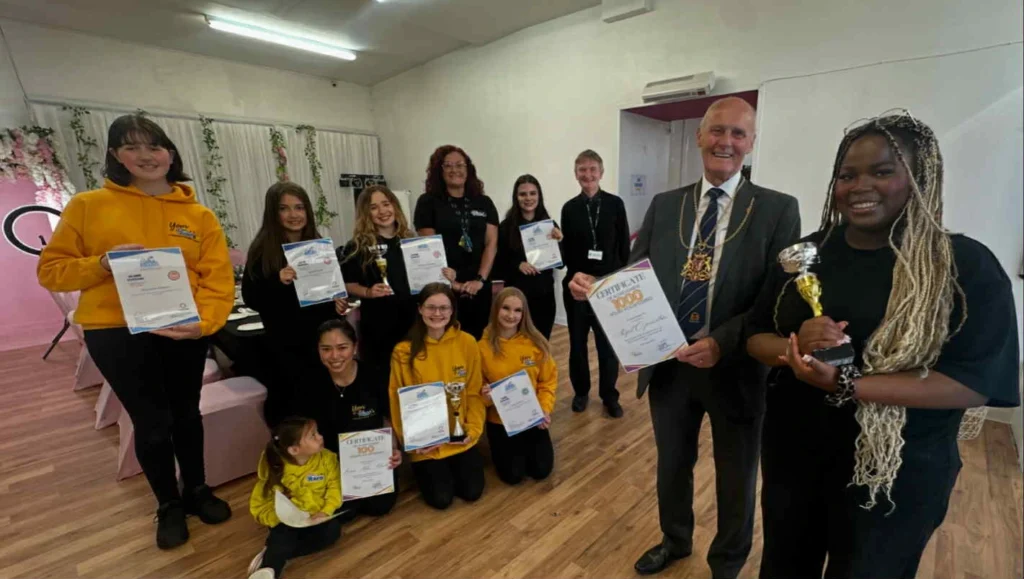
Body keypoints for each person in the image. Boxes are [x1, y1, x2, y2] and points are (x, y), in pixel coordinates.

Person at [745, 111, 1019, 578]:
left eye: (883, 171)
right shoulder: (807, 256)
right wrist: (796, 346)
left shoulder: (960, 265)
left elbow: (972, 383)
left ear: (920, 177)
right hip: (796, 457)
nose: (859, 186)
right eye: (847, 175)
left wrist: (847, 384)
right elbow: (755, 338)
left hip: (897, 473)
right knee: (785, 567)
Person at [568, 97, 801, 578]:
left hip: (735, 366)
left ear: (752, 143)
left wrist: (722, 340)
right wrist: (598, 285)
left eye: (739, 134)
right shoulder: (666, 204)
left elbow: (772, 298)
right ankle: (675, 541)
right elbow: (638, 272)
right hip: (668, 363)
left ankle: (727, 562)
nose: (727, 142)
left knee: (736, 475)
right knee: (672, 464)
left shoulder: (778, 209)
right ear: (699, 136)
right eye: (718, 131)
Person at [37, 114, 234, 550]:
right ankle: (168, 504)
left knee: (187, 414)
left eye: (155, 146)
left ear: (171, 153)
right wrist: (102, 262)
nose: (146, 155)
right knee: (151, 423)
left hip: (182, 330)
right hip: (116, 332)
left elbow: (217, 279)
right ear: (115, 156)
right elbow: (50, 272)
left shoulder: (198, 215)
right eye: (133, 146)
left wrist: (203, 324)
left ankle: (197, 489)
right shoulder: (88, 205)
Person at [243, 182, 349, 426]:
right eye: (285, 208)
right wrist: (277, 281)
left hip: (320, 340)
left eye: (299, 207)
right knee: (296, 404)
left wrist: (338, 302)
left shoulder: (317, 244)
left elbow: (331, 288)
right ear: (273, 213)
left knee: (325, 400)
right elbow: (251, 298)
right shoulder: (263, 250)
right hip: (287, 345)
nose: (294, 215)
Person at [388, 282, 486, 509]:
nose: (437, 313)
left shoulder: (468, 343)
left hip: (460, 436)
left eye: (444, 308)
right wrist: (413, 442)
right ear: (420, 309)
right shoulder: (403, 351)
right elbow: (397, 401)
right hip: (426, 444)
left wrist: (472, 430)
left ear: (452, 311)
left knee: (472, 492)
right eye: (431, 307)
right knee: (441, 500)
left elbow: (473, 393)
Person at [559, 149, 629, 418]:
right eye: (581, 170)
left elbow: (624, 247)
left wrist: (616, 281)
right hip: (577, 288)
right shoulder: (569, 208)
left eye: (592, 169)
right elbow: (568, 253)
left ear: (601, 172)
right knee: (577, 345)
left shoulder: (615, 204)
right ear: (575, 174)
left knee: (606, 346)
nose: (587, 175)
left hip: (607, 287)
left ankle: (609, 396)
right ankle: (580, 392)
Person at [309, 319, 402, 517]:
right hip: (332, 461)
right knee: (344, 513)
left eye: (342, 347)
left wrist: (393, 449)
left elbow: (387, 418)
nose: (334, 356)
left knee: (379, 507)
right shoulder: (310, 382)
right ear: (318, 350)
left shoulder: (375, 375)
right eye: (326, 349)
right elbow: (306, 432)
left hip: (373, 459)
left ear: (355, 347)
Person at [414, 145, 499, 340]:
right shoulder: (427, 202)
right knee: (446, 341)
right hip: (444, 286)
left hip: (478, 287)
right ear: (439, 170)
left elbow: (491, 244)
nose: (455, 170)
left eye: (460, 165)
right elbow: (428, 249)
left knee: (476, 340)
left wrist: (479, 280)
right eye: (448, 165)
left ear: (468, 169)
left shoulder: (484, 202)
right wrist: (454, 283)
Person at [478, 287, 557, 484]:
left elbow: (547, 381)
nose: (511, 315)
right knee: (513, 476)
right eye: (506, 308)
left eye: (517, 310)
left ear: (524, 314)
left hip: (532, 417)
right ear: (496, 309)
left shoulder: (536, 344)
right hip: (500, 422)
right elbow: (476, 389)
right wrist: (485, 397)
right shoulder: (480, 348)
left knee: (541, 470)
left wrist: (544, 410)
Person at [247, 417, 342, 579]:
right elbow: (260, 506)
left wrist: (325, 512)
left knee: (332, 532)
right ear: (294, 450)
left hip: (314, 517)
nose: (320, 437)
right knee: (283, 535)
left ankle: (277, 552)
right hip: (285, 521)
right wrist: (277, 518)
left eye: (317, 432)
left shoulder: (327, 458)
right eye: (313, 436)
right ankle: (269, 567)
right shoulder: (276, 469)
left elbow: (335, 488)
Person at [338, 185, 417, 375]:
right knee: (383, 379)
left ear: (395, 206)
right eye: (374, 207)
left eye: (386, 204)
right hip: (379, 326)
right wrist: (368, 292)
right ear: (366, 213)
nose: (382, 211)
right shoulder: (356, 247)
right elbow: (347, 284)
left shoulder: (411, 241)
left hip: (413, 322)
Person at [494, 175, 563, 340]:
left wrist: (560, 242)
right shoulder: (505, 227)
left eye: (533, 193)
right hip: (516, 298)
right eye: (523, 194)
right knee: (516, 343)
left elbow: (561, 264)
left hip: (544, 297)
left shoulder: (550, 225)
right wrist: (517, 265)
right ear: (516, 197)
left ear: (539, 196)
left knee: (541, 342)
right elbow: (497, 265)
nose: (528, 198)